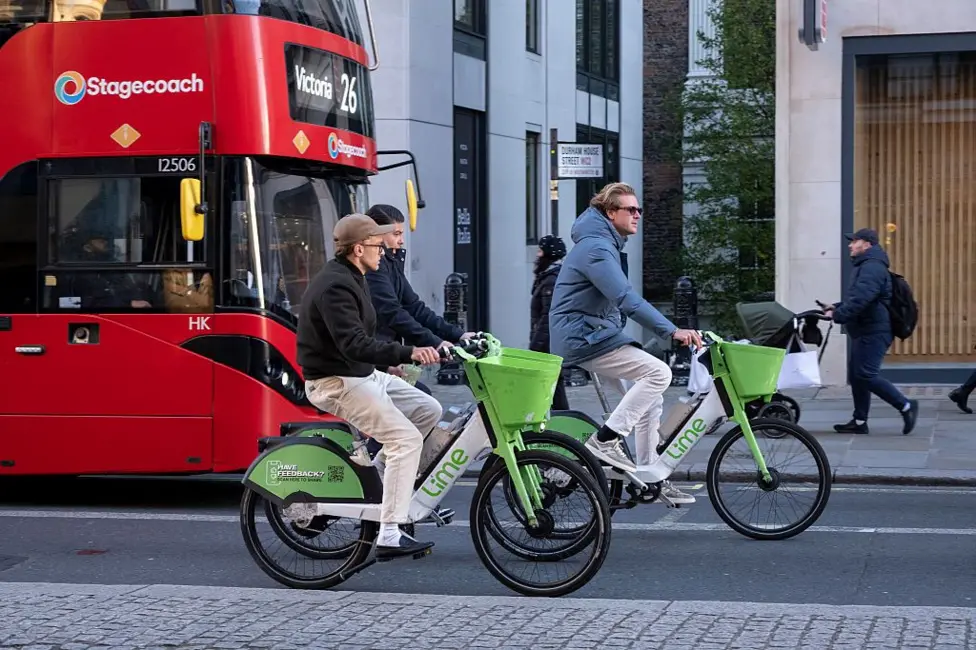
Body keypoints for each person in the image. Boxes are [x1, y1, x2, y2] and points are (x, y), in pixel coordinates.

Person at [297, 213, 443, 560]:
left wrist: (389, 364)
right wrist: (408, 352)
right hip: (335, 382)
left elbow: (358, 342)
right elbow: (353, 343)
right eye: (378, 245)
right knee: (406, 440)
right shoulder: (336, 286)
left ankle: (377, 479)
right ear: (358, 249)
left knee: (428, 409)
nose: (384, 251)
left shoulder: (355, 275)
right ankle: (389, 533)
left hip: (360, 373)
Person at [548, 182, 701, 505]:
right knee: (659, 373)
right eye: (630, 209)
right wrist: (671, 330)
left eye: (638, 209)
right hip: (584, 338)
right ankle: (605, 440)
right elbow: (626, 299)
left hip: (594, 334)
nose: (637, 215)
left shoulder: (604, 244)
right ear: (609, 212)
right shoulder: (597, 248)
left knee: (650, 401)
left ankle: (651, 476)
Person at [824, 227, 919, 435]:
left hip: (874, 330)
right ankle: (859, 421)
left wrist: (838, 315)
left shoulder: (872, 267)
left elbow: (862, 299)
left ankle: (906, 405)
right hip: (866, 328)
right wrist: (837, 307)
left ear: (866, 244)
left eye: (854, 241)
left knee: (865, 374)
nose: (850, 245)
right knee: (857, 375)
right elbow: (863, 298)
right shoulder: (867, 265)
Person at [529, 234, 570, 411]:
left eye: (540, 251)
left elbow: (547, 318)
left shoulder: (551, 281)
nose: (537, 255)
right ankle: (560, 419)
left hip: (548, 346)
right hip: (550, 344)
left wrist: (535, 347)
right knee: (553, 385)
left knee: (553, 385)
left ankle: (563, 420)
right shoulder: (549, 277)